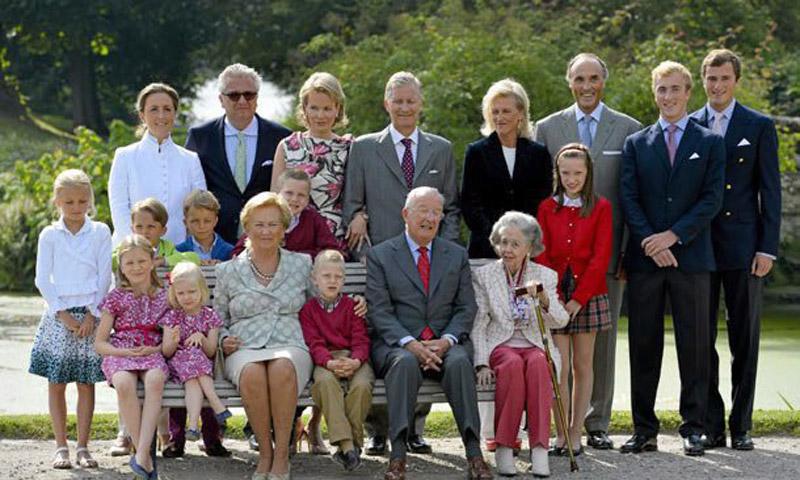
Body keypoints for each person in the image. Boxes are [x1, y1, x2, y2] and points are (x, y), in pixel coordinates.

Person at [343, 71, 458, 455]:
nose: (405, 107)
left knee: (425, 333)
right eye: (398, 101)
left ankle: (415, 428)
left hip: (428, 262)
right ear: (386, 104)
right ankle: (379, 429)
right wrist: (361, 226)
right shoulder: (363, 148)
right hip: (381, 260)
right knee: (386, 339)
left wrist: (446, 254)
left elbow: (451, 208)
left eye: (411, 101)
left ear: (420, 104)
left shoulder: (441, 149)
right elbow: (352, 206)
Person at [533, 52, 642, 450]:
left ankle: (596, 423)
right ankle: (559, 426)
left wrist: (627, 251)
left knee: (600, 351)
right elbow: (542, 195)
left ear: (603, 81)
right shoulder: (547, 128)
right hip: (556, 267)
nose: (587, 86)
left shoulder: (629, 129)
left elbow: (632, 195)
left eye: (594, 78)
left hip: (606, 258)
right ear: (569, 81)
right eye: (580, 78)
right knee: (558, 358)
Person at [619, 61, 725, 456]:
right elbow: (629, 197)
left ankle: (694, 427)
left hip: (692, 259)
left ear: (688, 93)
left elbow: (712, 199)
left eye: (675, 89)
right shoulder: (636, 143)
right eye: (662, 89)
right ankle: (643, 429)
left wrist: (673, 236)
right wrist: (651, 241)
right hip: (645, 261)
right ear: (655, 93)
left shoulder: (710, 142)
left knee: (694, 346)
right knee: (643, 345)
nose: (669, 96)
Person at [366, 186, 493, 480]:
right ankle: (398, 457)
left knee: (459, 362)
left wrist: (447, 340)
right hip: (398, 345)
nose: (431, 218)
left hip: (444, 342)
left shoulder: (456, 255)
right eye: (424, 210)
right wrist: (410, 343)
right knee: (404, 364)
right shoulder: (381, 255)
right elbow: (380, 311)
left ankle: (474, 454)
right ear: (405, 214)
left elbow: (466, 307)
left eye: (437, 212)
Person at [690, 49, 781, 451]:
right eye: (711, 78)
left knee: (745, 337)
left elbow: (770, 191)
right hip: (700, 246)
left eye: (724, 78)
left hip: (745, 248)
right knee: (701, 338)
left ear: (736, 81)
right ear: (703, 80)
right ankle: (712, 424)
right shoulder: (690, 124)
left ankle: (741, 425)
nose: (717, 86)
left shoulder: (758, 125)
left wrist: (768, 248)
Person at [213, 192, 314, 480]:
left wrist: (354, 303)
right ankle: (265, 454)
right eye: (259, 224)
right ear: (247, 227)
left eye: (273, 224)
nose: (266, 231)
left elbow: (320, 305)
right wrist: (222, 339)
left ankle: (282, 455)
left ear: (284, 228)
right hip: (243, 344)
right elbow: (218, 317)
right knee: (252, 373)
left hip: (290, 340)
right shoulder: (227, 270)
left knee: (282, 366)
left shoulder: (302, 264)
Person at [471, 211, 569, 477]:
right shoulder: (484, 276)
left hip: (534, 343)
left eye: (515, 244)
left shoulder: (545, 275)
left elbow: (561, 321)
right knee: (512, 364)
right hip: (501, 344)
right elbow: (479, 324)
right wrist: (481, 363)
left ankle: (539, 448)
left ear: (530, 247)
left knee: (539, 364)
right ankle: (504, 446)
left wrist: (544, 299)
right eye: (503, 242)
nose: (508, 249)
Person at [29, 169, 111, 470]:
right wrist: (62, 313)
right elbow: (42, 279)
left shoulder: (100, 232)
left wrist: (92, 314)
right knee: (57, 382)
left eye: (82, 201)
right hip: (59, 316)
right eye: (69, 202)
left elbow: (105, 277)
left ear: (90, 200)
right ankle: (61, 446)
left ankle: (83, 447)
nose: (77, 208)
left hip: (90, 315)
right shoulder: (49, 235)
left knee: (86, 383)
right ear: (57, 202)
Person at [535, 144, 613, 456]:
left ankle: (576, 431)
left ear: (588, 173)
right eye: (565, 173)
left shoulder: (601, 207)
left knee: (583, 365)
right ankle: (560, 434)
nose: (571, 179)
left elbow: (601, 256)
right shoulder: (546, 207)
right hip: (554, 294)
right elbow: (541, 253)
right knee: (559, 366)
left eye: (578, 173)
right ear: (557, 173)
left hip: (588, 294)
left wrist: (579, 299)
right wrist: (554, 299)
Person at [186, 63, 291, 244]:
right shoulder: (200, 136)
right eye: (234, 95)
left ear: (257, 97)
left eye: (249, 94)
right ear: (221, 99)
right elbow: (190, 190)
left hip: (265, 238)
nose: (242, 101)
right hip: (213, 240)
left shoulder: (281, 137)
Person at [95, 234, 170, 478]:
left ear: (152, 262)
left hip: (152, 349)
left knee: (155, 379)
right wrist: (124, 352)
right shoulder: (116, 297)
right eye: (130, 263)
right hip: (121, 350)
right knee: (124, 383)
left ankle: (141, 456)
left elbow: (171, 341)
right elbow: (100, 343)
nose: (136, 267)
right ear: (121, 267)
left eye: (141, 261)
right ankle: (144, 455)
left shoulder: (165, 295)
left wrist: (155, 350)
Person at [299, 250, 374, 471]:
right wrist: (328, 362)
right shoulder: (308, 310)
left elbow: (361, 340)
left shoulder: (352, 306)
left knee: (362, 385)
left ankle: (347, 448)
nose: (332, 281)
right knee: (324, 383)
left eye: (338, 277)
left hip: (354, 357)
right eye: (326, 276)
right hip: (325, 360)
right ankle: (350, 446)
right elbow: (314, 343)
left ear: (344, 279)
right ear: (315, 279)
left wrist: (356, 361)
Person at [461, 78, 552, 259]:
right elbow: (470, 204)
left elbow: (543, 202)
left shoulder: (538, 154)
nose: (499, 117)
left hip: (527, 251)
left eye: (506, 111)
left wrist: (522, 240)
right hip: (486, 250)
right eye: (495, 111)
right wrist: (498, 240)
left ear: (521, 114)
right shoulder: (476, 153)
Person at [108, 82, 206, 247]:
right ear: (142, 115)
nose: (161, 115)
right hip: (132, 252)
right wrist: (138, 248)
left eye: (167, 109)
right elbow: (119, 209)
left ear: (175, 114)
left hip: (179, 250)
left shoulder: (191, 159)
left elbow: (199, 209)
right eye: (154, 109)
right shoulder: (124, 156)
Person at [270, 72, 353, 241]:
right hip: (292, 237)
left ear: (337, 109)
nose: (320, 115)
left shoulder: (349, 147)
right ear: (304, 108)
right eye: (314, 108)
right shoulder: (287, 146)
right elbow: (275, 198)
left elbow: (358, 198)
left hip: (333, 237)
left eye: (327, 108)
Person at [161, 262, 232, 442]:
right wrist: (174, 341)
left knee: (194, 374)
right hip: (178, 366)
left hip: (200, 369)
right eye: (181, 293)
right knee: (193, 358)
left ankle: (192, 426)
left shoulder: (210, 316)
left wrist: (202, 337)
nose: (187, 297)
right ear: (174, 294)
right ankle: (217, 404)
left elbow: (211, 351)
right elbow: (167, 353)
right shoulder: (172, 317)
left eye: (192, 291)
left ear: (202, 290)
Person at [232, 169, 342, 260]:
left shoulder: (314, 219)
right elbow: (238, 251)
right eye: (289, 193)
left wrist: (297, 257)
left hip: (303, 275)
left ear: (308, 198)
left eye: (301, 195)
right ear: (278, 193)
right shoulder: (264, 215)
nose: (294, 199)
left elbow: (331, 251)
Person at [113, 198, 200, 271]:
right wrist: (130, 258)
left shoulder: (167, 248)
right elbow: (110, 260)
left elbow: (194, 258)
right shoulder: (127, 247)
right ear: (132, 229)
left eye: (151, 226)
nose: (144, 231)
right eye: (139, 226)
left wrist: (165, 261)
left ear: (163, 231)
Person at [176, 189, 235, 264]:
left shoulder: (230, 252)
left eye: (207, 221)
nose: (201, 226)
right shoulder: (178, 252)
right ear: (185, 223)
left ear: (215, 221)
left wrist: (223, 267)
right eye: (195, 221)